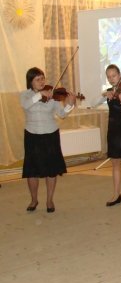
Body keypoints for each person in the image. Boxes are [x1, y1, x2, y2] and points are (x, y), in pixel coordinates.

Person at [20, 67, 76, 213]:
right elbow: (26, 105)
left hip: (51, 135)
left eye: (43, 78)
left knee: (51, 169)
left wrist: (70, 104)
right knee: (32, 171)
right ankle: (34, 200)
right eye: (37, 79)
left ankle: (49, 200)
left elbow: (62, 114)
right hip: (32, 135)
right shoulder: (25, 95)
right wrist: (40, 94)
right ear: (30, 81)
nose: (41, 81)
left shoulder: (52, 95)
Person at [95, 64, 121, 207]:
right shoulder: (109, 92)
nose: (111, 79)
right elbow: (92, 103)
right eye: (109, 77)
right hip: (113, 131)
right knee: (115, 163)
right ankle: (116, 194)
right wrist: (103, 95)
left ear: (119, 75)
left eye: (114, 76)